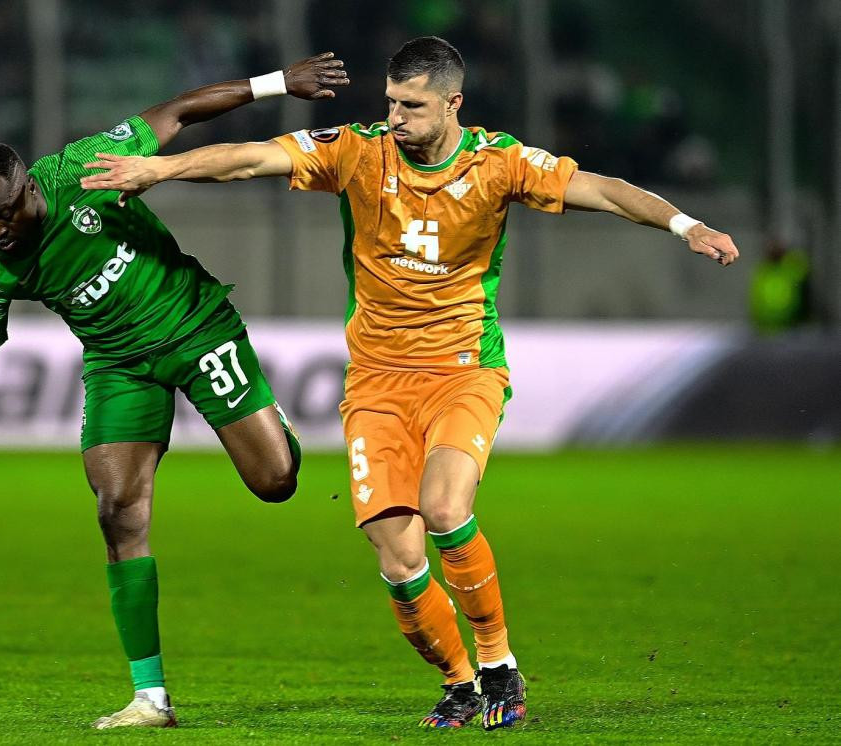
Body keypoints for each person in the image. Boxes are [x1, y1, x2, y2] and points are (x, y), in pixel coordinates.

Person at [80, 36, 739, 731]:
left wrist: (683, 223)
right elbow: (252, 159)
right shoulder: (359, 151)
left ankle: (497, 663)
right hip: (375, 384)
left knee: (446, 508)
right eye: (391, 101)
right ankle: (459, 682)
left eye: (413, 106)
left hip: (462, 370)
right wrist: (160, 169)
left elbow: (600, 188)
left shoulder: (499, 163)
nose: (396, 116)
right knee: (398, 555)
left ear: (454, 103)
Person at [0, 53, 349, 730]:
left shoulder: (85, 168)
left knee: (276, 481)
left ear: (28, 192)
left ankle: (271, 422)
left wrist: (278, 84)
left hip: (195, 327)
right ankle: (151, 698)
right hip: (118, 363)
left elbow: (175, 113)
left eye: (1, 216)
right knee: (117, 510)